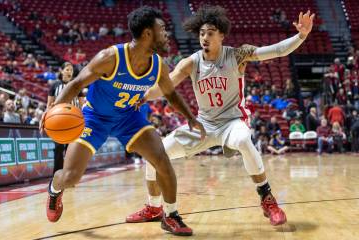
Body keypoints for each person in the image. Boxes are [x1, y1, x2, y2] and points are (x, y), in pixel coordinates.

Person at [127, 6, 315, 226]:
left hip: (232, 122)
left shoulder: (237, 55)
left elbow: (276, 51)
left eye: (210, 32)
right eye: (202, 33)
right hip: (204, 125)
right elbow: (165, 87)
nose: (204, 37)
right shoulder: (191, 62)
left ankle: (267, 198)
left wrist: (301, 35)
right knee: (154, 153)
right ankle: (154, 207)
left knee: (243, 140)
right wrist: (143, 96)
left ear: (222, 35)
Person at [40, 6, 205, 236]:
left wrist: (190, 117)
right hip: (94, 118)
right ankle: (55, 189)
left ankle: (171, 215)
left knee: (161, 159)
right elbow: (76, 84)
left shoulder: (158, 65)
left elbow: (171, 94)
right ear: (148, 33)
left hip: (128, 118)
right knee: (70, 177)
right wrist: (53, 110)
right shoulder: (110, 57)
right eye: (162, 29)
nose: (166, 34)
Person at [47, 62, 85, 176]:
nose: (70, 72)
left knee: (71, 150)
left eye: (71, 70)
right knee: (58, 148)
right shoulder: (55, 85)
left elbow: (82, 104)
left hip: (73, 121)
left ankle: (69, 175)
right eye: (67, 69)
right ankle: (57, 174)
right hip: (58, 121)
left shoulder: (76, 85)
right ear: (61, 71)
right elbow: (49, 104)